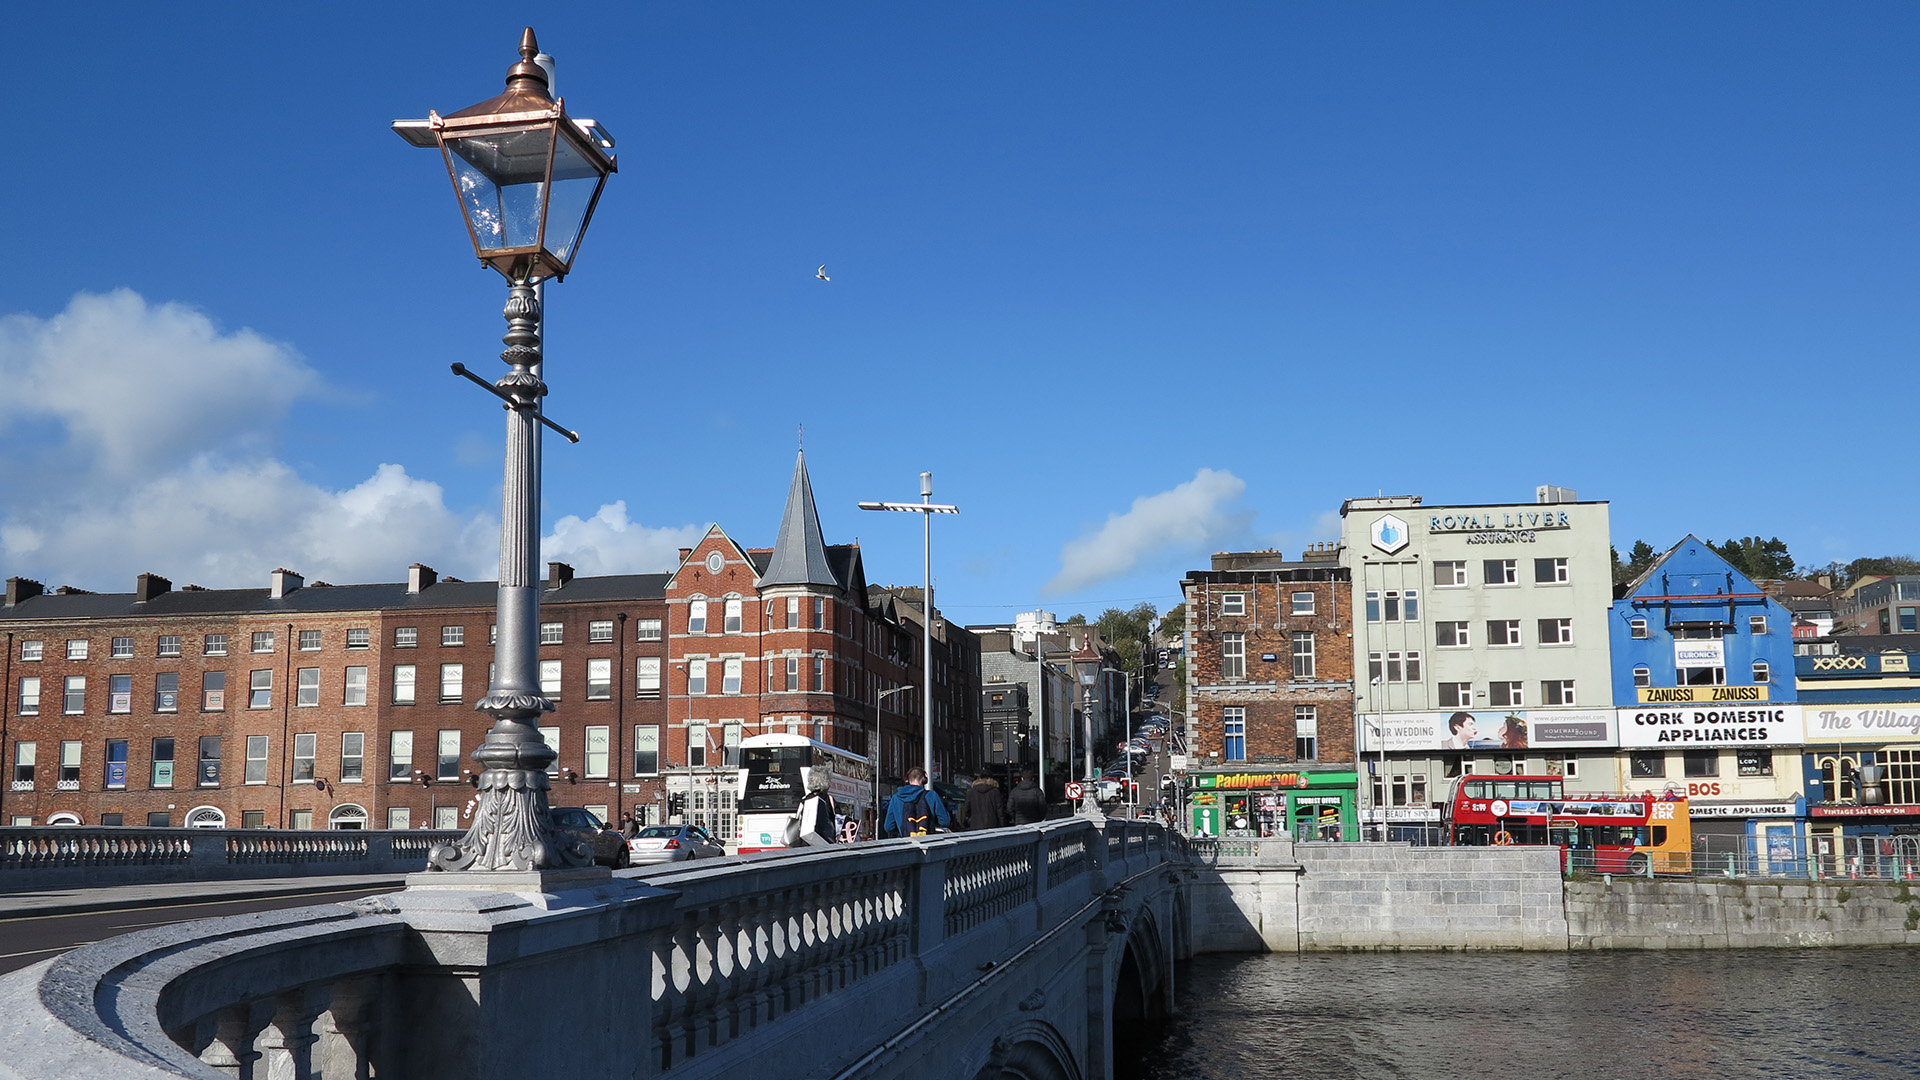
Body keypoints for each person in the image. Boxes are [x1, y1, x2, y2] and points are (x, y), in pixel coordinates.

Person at [882, 766, 951, 838]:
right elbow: (945, 821)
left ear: (907, 781)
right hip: (928, 841)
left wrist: (902, 828)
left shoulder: (896, 798)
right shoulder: (932, 795)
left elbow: (888, 827)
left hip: (907, 841)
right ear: (924, 780)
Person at [793, 766, 839, 847]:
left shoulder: (805, 799)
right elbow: (839, 820)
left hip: (806, 842)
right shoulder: (829, 800)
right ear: (825, 782)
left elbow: (798, 817)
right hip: (825, 842)